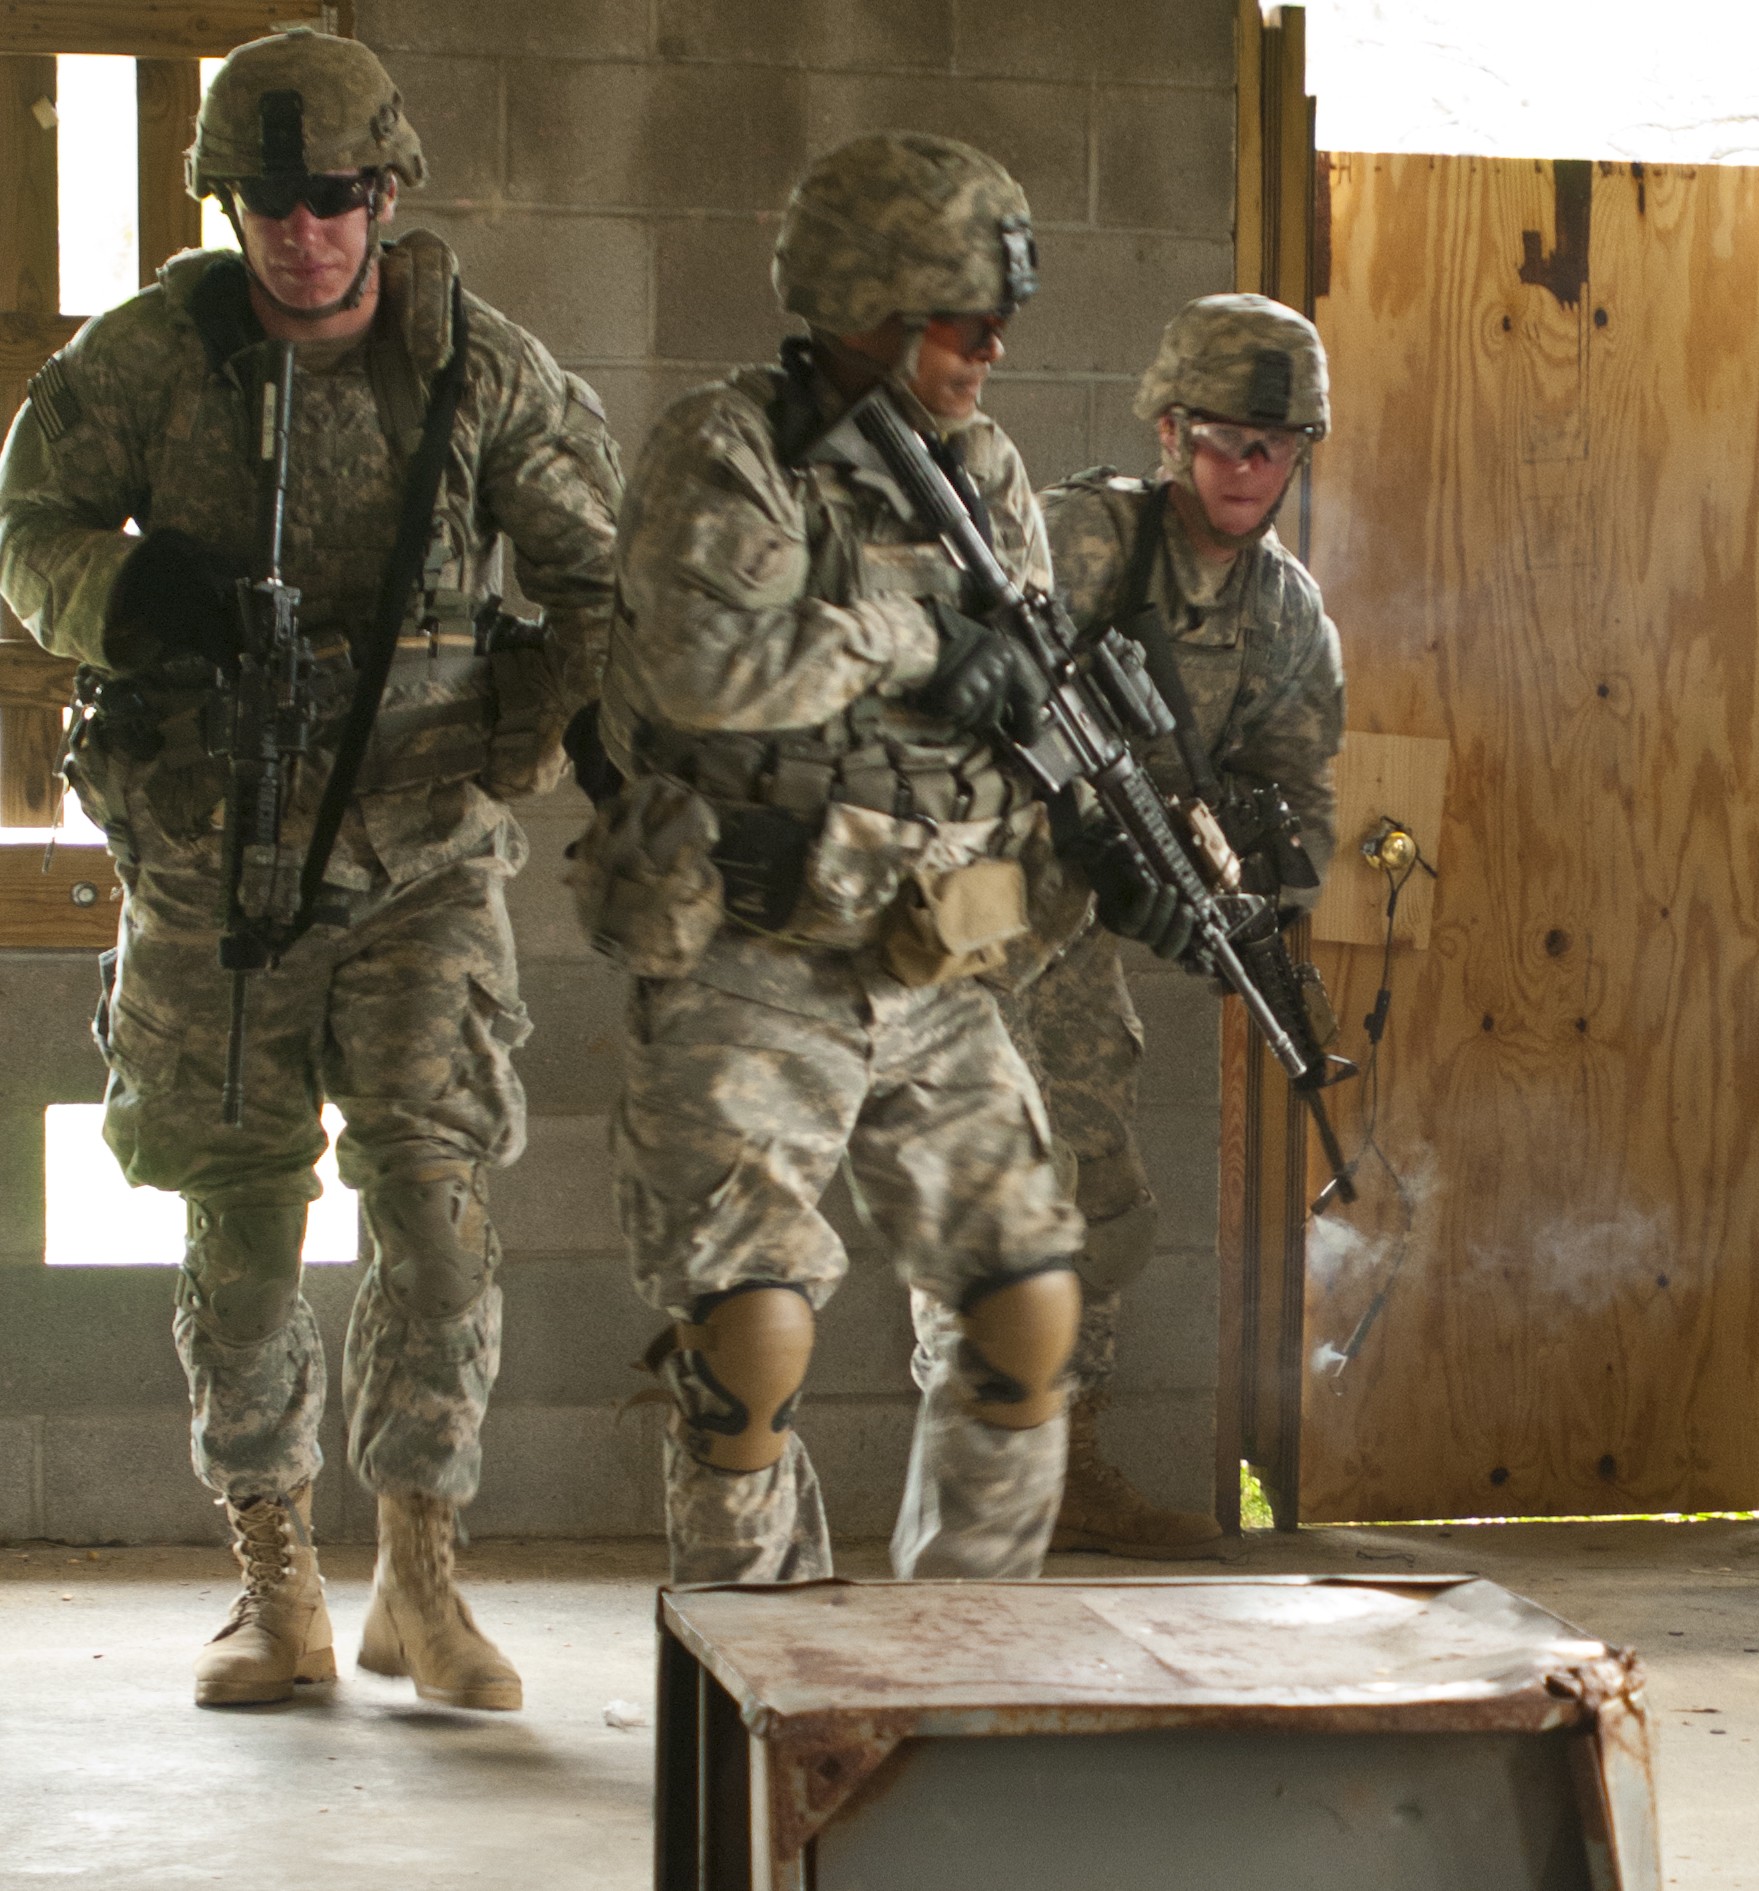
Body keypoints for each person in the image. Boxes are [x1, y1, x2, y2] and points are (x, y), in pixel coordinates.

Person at [0, 27, 619, 1710]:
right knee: (244, 1214)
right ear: (226, 205)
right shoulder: (145, 365)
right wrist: (129, 605)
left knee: (432, 1202)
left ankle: (422, 1570)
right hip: (213, 873)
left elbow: (594, 572)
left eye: (334, 196)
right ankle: (272, 1574)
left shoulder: (475, 371)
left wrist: (522, 736)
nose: (303, 230)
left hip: (419, 859)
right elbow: (26, 530)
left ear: (388, 191)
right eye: (267, 199)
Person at [593, 130, 1120, 1586]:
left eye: (999, 316)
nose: (993, 348)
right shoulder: (726, 449)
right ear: (866, 310)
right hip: (750, 953)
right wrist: (909, 639)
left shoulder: (983, 468)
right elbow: (706, 668)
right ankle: (758, 1665)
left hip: (931, 959)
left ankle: (960, 1658)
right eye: (964, 319)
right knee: (750, 1341)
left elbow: (1014, 681)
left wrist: (1088, 825)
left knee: (1026, 1310)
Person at [1023, 293, 1345, 1557]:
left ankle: (1062, 1468)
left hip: (1072, 925)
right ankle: (986, 1480)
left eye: (1278, 445)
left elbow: (1293, 812)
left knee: (1098, 1183)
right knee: (985, 1190)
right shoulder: (1080, 544)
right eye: (1224, 440)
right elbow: (947, 689)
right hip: (959, 902)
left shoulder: (1284, 619)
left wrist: (1238, 913)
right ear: (1170, 432)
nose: (1250, 469)